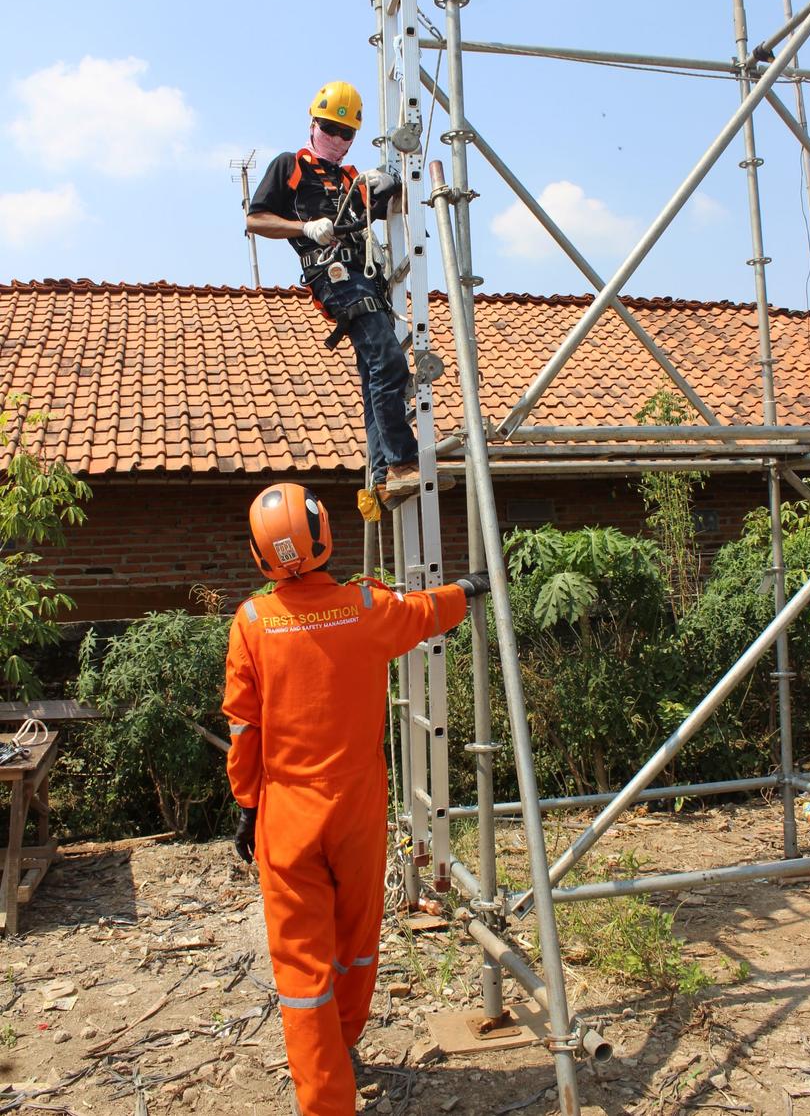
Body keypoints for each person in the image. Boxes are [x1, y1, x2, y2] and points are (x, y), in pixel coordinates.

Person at [222, 482, 489, 1116]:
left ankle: (326, 1100)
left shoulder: (252, 623)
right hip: (358, 809)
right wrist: (471, 590)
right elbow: (427, 611)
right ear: (324, 536)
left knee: (301, 968)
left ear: (261, 558)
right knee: (357, 940)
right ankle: (344, 1043)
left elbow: (243, 727)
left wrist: (247, 805)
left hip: (286, 815)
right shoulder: (366, 607)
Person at [247, 80, 453, 508]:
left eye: (346, 133)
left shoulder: (351, 181)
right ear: (313, 123)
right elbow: (256, 219)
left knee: (376, 377)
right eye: (330, 128)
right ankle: (401, 460)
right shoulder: (290, 166)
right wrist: (303, 227)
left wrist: (394, 181)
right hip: (333, 276)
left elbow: (393, 203)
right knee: (388, 360)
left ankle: (383, 478)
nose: (338, 139)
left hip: (365, 276)